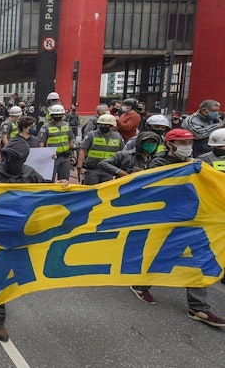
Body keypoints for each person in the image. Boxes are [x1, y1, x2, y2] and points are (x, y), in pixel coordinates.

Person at [126, 128, 225, 327]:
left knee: (199, 258)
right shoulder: (159, 163)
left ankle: (199, 307)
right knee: (163, 254)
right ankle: (140, 284)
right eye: (182, 143)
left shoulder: (196, 163)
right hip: (167, 218)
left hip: (193, 218)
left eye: (189, 144)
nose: (187, 147)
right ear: (170, 145)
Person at [0, 135, 46, 342]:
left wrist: (62, 187)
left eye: (15, 157)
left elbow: (47, 194)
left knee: (13, 275)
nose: (10, 161)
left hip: (20, 234)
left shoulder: (31, 175)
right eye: (7, 156)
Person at [77, 114, 124, 185]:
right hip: (92, 170)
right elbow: (83, 151)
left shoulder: (118, 137)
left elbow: (122, 153)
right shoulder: (91, 135)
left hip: (109, 171)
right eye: (101, 125)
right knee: (90, 192)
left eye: (106, 125)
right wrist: (79, 167)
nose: (103, 127)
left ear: (112, 126)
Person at [38, 104, 75, 181]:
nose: (58, 116)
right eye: (55, 114)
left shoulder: (67, 125)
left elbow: (70, 141)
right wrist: (44, 157)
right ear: (51, 115)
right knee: (49, 180)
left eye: (59, 114)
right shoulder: (46, 127)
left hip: (65, 157)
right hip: (52, 158)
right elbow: (41, 143)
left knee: (64, 181)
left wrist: (72, 156)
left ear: (63, 115)